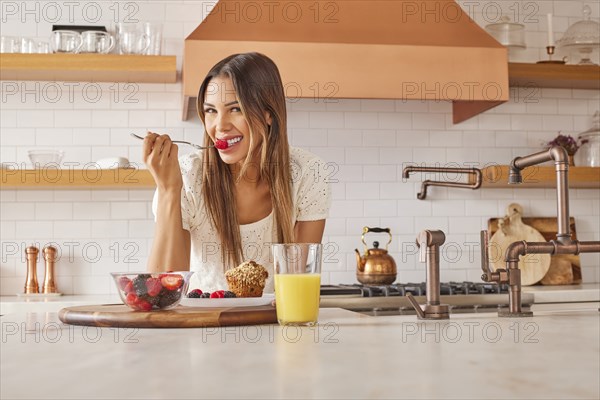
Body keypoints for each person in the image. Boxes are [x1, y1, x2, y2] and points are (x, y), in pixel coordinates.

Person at [142, 52, 331, 293]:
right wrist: (169, 190)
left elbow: (298, 288)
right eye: (210, 110)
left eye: (235, 109)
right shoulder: (187, 175)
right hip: (201, 326)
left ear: (268, 114)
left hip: (275, 326)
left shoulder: (307, 173)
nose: (220, 126)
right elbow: (163, 292)